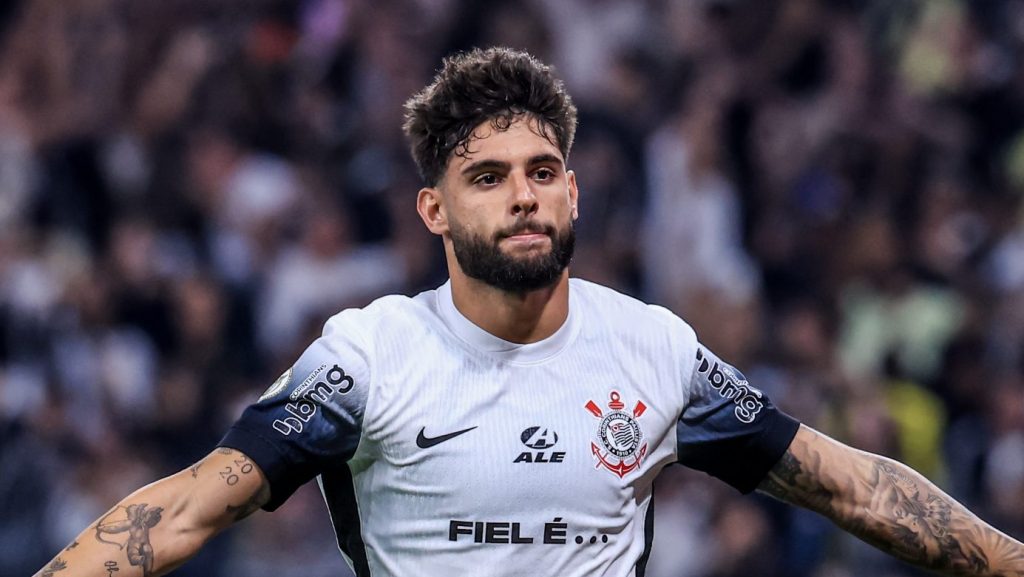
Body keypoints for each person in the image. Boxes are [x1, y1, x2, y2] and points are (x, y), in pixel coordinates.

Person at [35, 47, 1024, 577]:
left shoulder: (653, 349)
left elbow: (850, 488)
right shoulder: (368, 355)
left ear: (574, 193)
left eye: (544, 172)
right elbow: (188, 510)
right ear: (434, 209)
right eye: (489, 176)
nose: (523, 195)